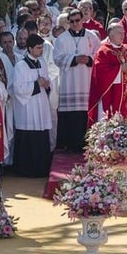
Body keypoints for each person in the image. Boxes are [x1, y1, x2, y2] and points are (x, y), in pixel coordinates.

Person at [52, 10, 98, 153]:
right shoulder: (62, 39)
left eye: (77, 20)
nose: (75, 23)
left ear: (82, 19)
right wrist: (74, 59)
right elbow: (57, 58)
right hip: (69, 83)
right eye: (71, 21)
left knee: (85, 114)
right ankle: (71, 145)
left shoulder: (92, 37)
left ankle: (88, 144)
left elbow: (100, 55)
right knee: (71, 116)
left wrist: (89, 59)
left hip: (87, 81)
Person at [12, 34, 54, 177]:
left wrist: (47, 84)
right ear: (30, 48)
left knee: (41, 136)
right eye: (38, 48)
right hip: (28, 107)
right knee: (28, 137)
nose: (41, 50)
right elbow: (18, 88)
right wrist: (37, 84)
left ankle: (42, 168)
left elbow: (47, 80)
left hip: (41, 104)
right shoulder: (20, 65)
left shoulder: (42, 62)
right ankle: (27, 170)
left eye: (42, 47)